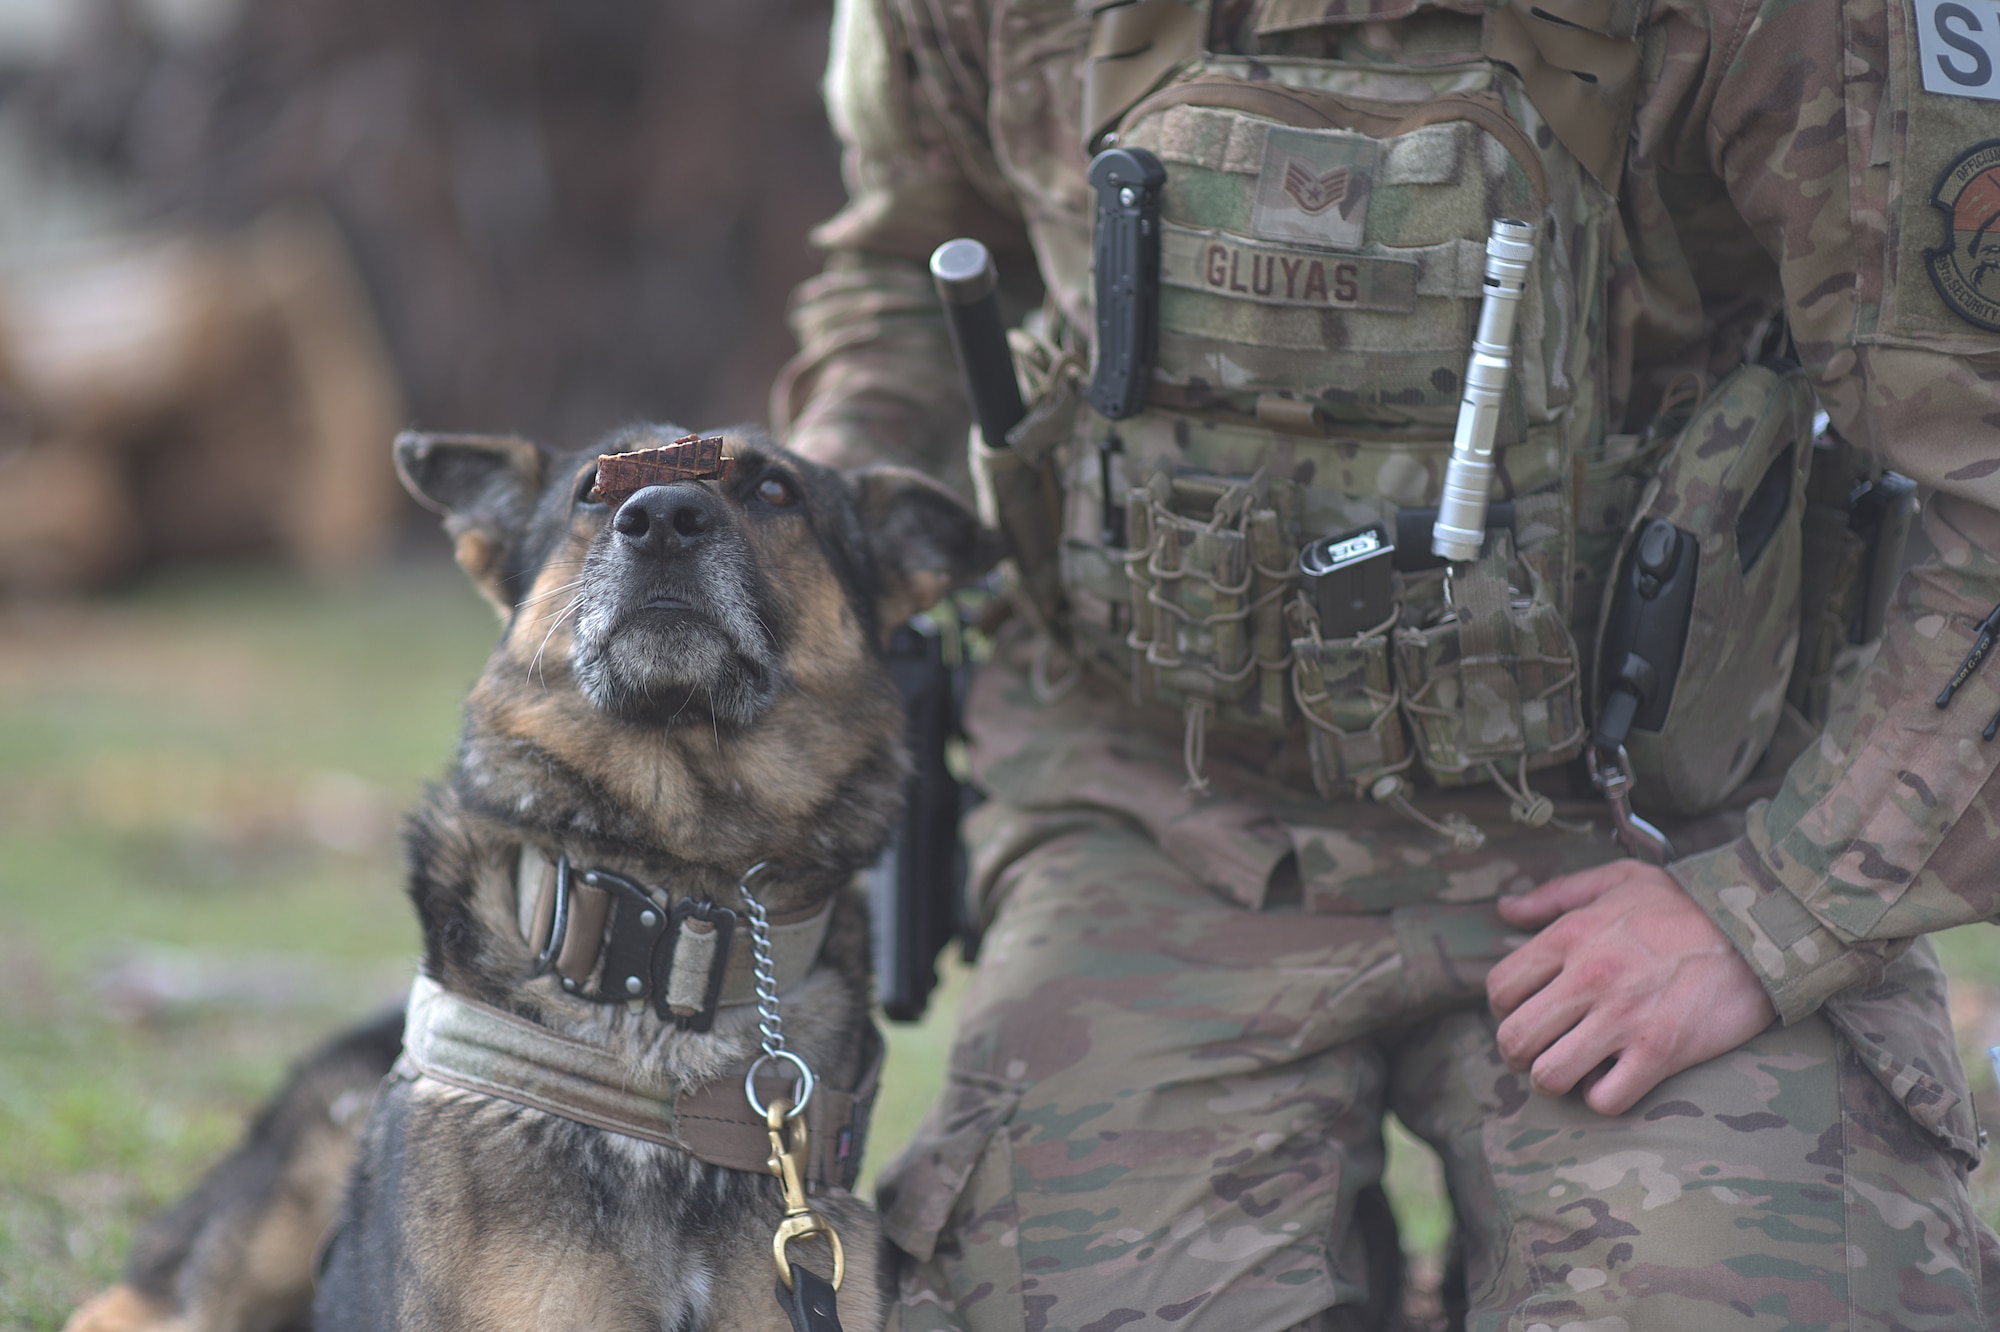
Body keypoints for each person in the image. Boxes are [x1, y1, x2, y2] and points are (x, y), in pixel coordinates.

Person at [773, 0, 2000, 1327]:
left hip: (1666, 825)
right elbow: (906, 264)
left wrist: (1775, 912)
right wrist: (810, 564)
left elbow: (1984, 482)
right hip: (1161, 813)